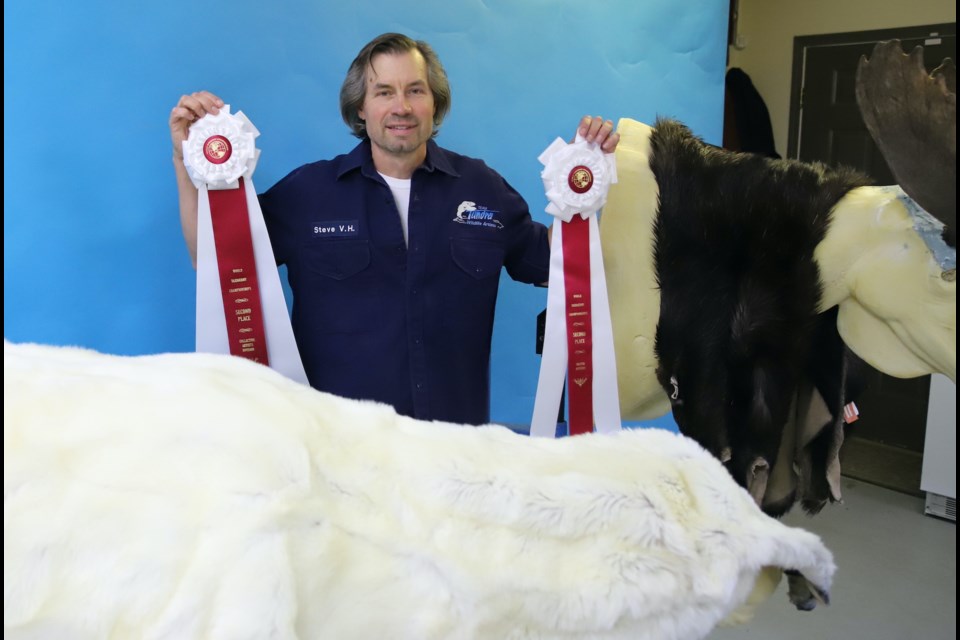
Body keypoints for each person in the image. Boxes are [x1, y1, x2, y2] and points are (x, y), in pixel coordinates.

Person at [170, 32, 619, 425]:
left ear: (435, 103)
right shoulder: (309, 193)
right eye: (383, 92)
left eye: (415, 90)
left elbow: (565, 268)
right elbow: (211, 259)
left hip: (455, 449)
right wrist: (184, 161)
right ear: (360, 109)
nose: (401, 107)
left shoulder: (483, 188)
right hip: (337, 449)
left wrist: (591, 184)